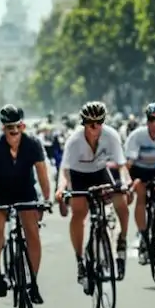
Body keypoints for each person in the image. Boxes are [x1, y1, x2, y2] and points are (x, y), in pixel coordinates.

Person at [0, 105, 53, 302]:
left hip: (25, 190)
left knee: (32, 231)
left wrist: (46, 199)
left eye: (17, 126)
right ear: (3, 128)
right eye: (9, 127)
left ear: (23, 126)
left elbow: (42, 174)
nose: (14, 131)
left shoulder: (33, 144)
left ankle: (33, 282)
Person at [56, 101, 132, 288]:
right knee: (79, 212)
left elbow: (121, 165)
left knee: (121, 202)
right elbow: (64, 171)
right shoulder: (74, 140)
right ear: (83, 123)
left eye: (99, 122)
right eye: (90, 123)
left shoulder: (111, 135)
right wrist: (61, 188)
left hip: (99, 172)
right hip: (79, 175)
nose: (95, 127)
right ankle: (80, 260)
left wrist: (126, 182)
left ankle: (121, 241)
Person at [125, 102, 155, 265]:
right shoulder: (137, 135)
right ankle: (143, 233)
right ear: (147, 121)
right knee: (141, 193)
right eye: (153, 119)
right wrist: (127, 183)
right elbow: (129, 163)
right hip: (139, 168)